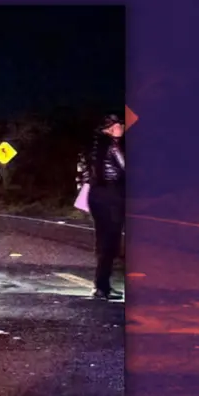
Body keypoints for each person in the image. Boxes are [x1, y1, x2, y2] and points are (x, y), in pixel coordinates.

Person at [77, 114, 126, 300]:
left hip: (95, 195)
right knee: (111, 241)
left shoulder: (91, 149)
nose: (122, 127)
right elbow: (125, 168)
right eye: (119, 125)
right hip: (112, 194)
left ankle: (101, 285)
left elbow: (82, 173)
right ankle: (102, 287)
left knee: (103, 238)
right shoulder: (113, 146)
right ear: (110, 128)